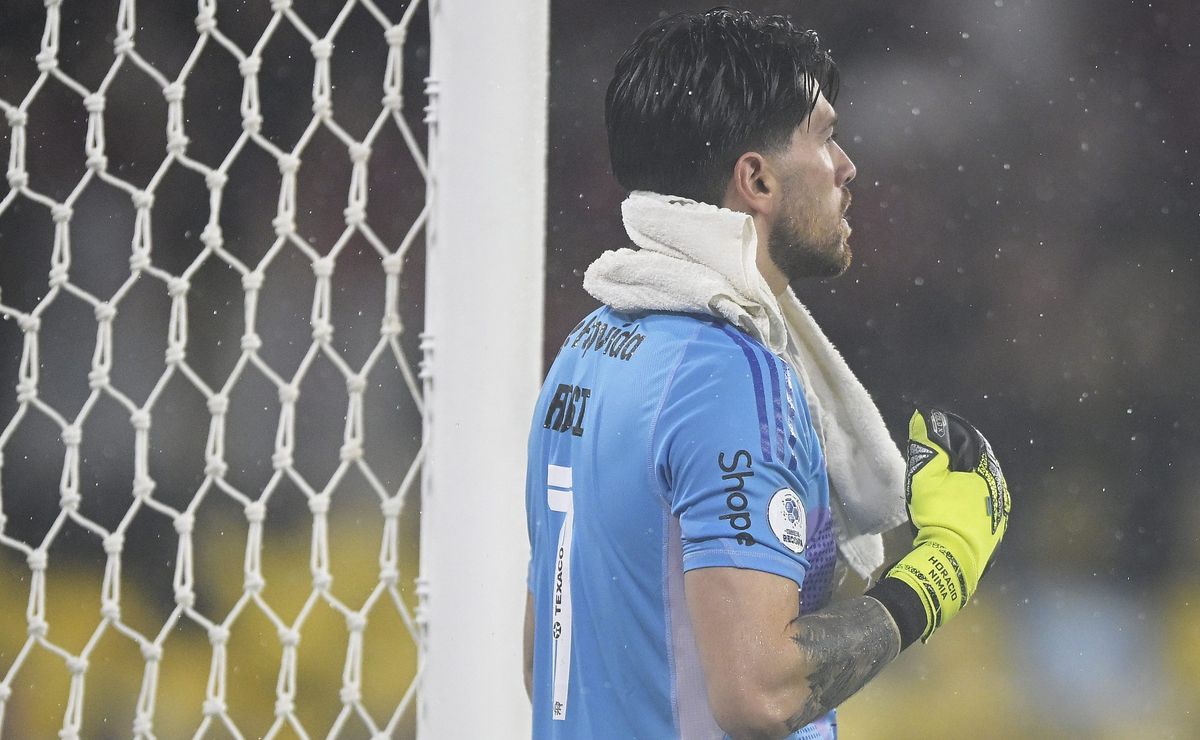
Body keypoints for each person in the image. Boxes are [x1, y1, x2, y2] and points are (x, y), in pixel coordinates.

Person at [523, 8, 1011, 739]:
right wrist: (941, 570)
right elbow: (761, 694)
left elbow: (545, 661)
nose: (846, 167)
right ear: (756, 178)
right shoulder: (727, 376)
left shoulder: (589, 349)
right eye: (825, 137)